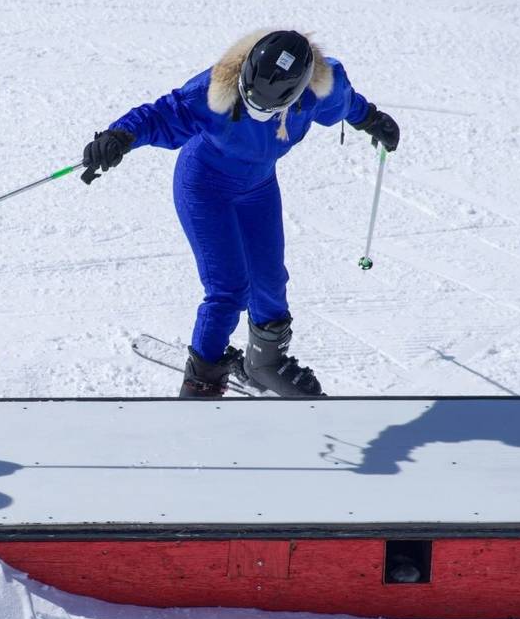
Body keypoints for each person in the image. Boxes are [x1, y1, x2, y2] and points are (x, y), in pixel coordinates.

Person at [79, 30, 400, 397]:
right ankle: (202, 379)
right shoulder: (213, 90)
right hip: (204, 187)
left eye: (268, 109)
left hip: (258, 189)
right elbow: (162, 115)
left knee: (269, 280)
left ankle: (264, 364)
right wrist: (118, 136)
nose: (257, 113)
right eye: (251, 102)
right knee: (228, 290)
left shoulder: (320, 89)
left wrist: (373, 120)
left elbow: (346, 104)